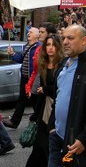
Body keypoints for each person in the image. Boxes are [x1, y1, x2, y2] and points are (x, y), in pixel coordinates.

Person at [47, 24, 86, 166]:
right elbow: (57, 98)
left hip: (79, 143)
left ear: (84, 41)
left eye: (70, 38)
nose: (65, 42)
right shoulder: (62, 64)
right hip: (57, 138)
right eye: (63, 38)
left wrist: (84, 139)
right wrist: (52, 127)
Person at [26, 35, 64, 167]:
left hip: (57, 107)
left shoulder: (62, 65)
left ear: (58, 47)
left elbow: (63, 87)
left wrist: (46, 89)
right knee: (40, 144)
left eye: (53, 45)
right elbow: (41, 93)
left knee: (49, 145)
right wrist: (35, 115)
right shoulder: (43, 64)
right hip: (44, 109)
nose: (50, 48)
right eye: (48, 44)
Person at [3, 28, 40, 129]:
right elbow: (21, 60)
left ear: (37, 36)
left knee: (35, 100)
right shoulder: (26, 46)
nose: (28, 33)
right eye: (28, 32)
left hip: (32, 78)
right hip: (24, 77)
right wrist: (13, 54)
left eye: (31, 32)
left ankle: (40, 120)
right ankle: (14, 122)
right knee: (22, 99)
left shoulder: (39, 47)